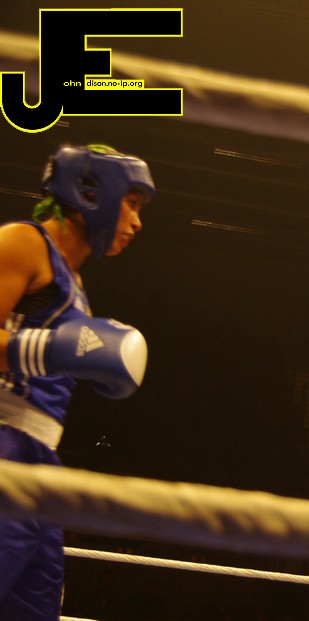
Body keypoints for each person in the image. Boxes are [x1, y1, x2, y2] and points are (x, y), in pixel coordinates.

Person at [0, 144, 152, 620]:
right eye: (132, 203)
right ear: (92, 191)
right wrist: (46, 350)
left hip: (42, 463)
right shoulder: (23, 242)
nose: (137, 223)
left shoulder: (76, 285)